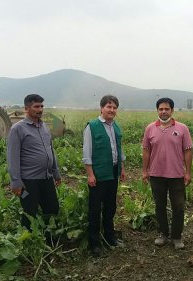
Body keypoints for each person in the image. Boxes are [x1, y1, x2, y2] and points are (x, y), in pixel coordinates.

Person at [6, 94, 62, 235]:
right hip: (28, 181)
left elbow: (51, 150)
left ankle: (49, 237)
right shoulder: (18, 129)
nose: (40, 109)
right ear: (26, 108)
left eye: (42, 106)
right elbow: (12, 157)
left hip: (46, 178)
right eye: (36, 106)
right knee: (29, 211)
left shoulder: (44, 127)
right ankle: (28, 240)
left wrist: (56, 172)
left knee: (52, 208)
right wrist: (16, 182)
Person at [142, 97, 193, 250]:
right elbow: (146, 150)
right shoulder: (150, 128)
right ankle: (163, 233)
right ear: (157, 110)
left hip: (176, 175)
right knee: (160, 206)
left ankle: (177, 236)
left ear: (172, 110)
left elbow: (188, 151)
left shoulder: (182, 128)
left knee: (178, 206)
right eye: (161, 109)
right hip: (156, 174)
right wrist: (145, 171)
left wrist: (188, 172)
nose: (164, 112)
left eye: (167, 109)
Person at [82, 95, 126, 257]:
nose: (112, 110)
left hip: (113, 174)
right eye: (109, 107)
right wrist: (90, 174)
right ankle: (94, 243)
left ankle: (110, 236)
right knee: (94, 210)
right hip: (98, 176)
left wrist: (122, 169)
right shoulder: (92, 127)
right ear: (101, 108)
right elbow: (87, 153)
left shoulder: (116, 127)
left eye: (114, 107)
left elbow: (119, 150)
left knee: (110, 207)